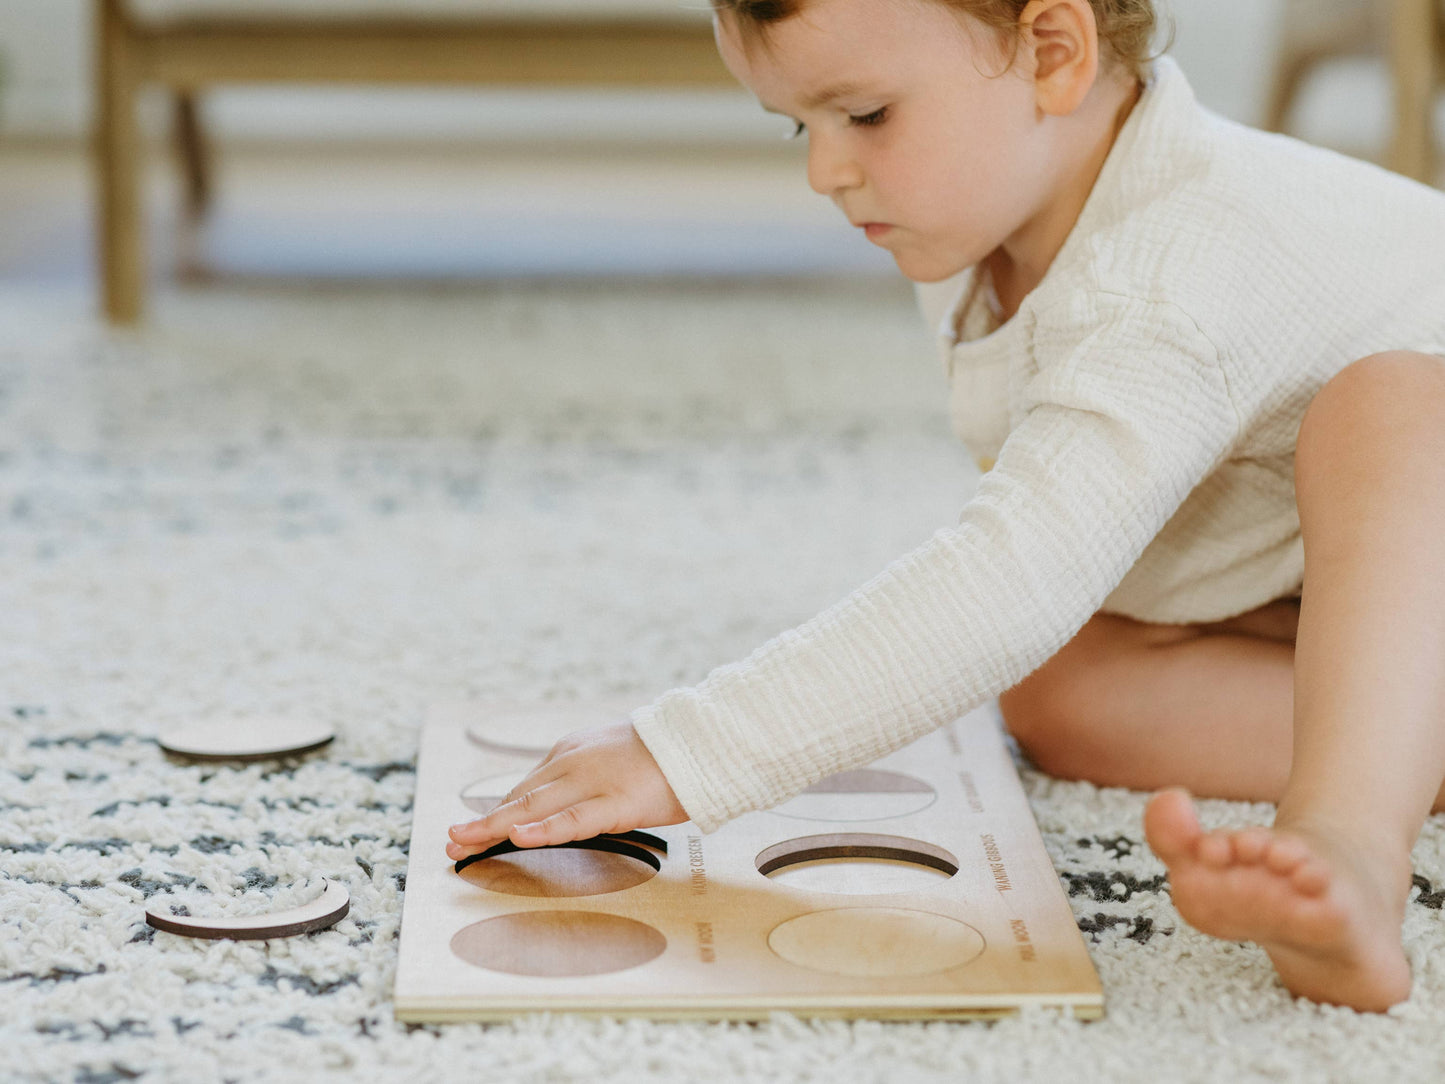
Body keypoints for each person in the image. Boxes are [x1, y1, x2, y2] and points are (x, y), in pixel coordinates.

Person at [447, 0, 1445, 1011]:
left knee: (1395, 409)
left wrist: (689, 749)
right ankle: (1403, 738)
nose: (824, 172)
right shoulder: (994, 225)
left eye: (867, 115)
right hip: (1364, 595)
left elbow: (1015, 570)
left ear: (1051, 54)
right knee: (1062, 682)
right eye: (802, 124)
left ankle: (1350, 840)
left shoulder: (1163, 280)